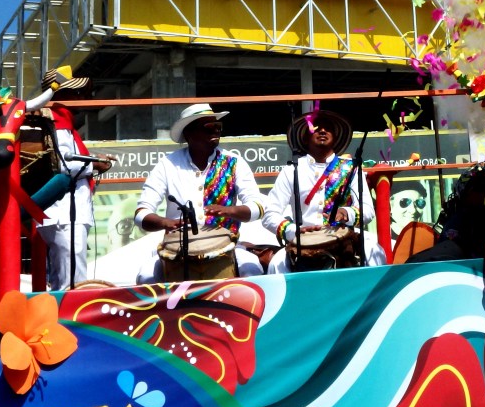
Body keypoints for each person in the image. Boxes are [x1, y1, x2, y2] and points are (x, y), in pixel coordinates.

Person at [133, 103, 266, 282]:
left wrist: (231, 211)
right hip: (177, 248)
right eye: (209, 128)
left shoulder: (234, 163)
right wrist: (165, 222)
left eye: (218, 127)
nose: (216, 132)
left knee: (252, 269)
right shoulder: (168, 164)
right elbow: (141, 214)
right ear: (188, 134)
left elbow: (257, 206)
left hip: (226, 246)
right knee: (145, 276)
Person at [263, 109, 386, 272]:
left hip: (344, 234)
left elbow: (368, 211)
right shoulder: (292, 170)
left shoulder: (351, 168)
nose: (322, 130)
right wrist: (295, 231)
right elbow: (269, 214)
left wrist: (346, 213)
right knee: (276, 264)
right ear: (305, 137)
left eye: (328, 128)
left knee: (375, 252)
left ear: (335, 137)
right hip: (303, 238)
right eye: (316, 127)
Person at [37, 66, 113, 290]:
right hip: (64, 213)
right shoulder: (58, 125)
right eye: (76, 93)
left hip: (65, 212)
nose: (84, 97)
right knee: (72, 279)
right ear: (60, 96)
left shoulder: (64, 125)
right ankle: (68, 321)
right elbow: (61, 163)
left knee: (68, 275)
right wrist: (94, 163)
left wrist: (91, 161)